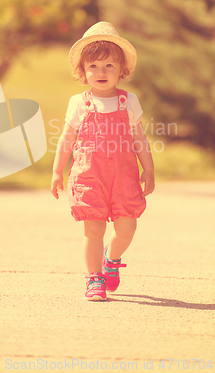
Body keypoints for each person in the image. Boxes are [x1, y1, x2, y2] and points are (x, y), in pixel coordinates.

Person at [51, 21, 155, 301]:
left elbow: (139, 139)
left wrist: (149, 169)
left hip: (123, 177)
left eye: (109, 66)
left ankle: (112, 258)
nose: (101, 72)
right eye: (94, 66)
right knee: (94, 228)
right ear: (83, 71)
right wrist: (57, 171)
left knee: (127, 228)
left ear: (122, 70)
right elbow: (66, 139)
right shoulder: (79, 103)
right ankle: (94, 278)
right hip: (89, 176)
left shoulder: (128, 101)